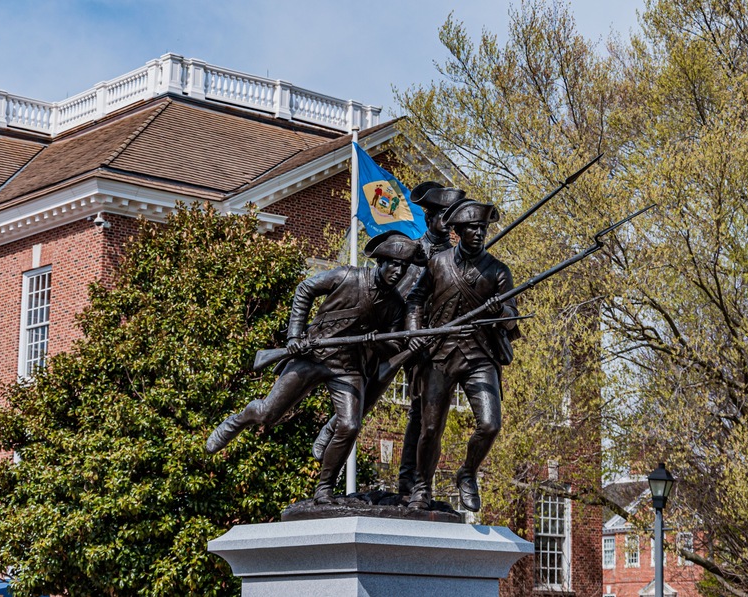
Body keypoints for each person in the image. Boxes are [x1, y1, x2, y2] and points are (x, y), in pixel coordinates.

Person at [204, 231, 426, 504]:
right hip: (312, 356)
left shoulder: (395, 306)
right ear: (380, 261)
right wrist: (295, 336)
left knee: (349, 425)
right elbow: (304, 289)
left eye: (404, 267)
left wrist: (381, 342)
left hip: (348, 367)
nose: (398, 271)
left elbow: (390, 345)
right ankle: (241, 418)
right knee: (268, 414)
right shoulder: (347, 276)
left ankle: (324, 488)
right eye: (394, 264)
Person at [311, 182, 467, 496]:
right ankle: (329, 452)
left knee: (423, 414)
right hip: (393, 332)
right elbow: (397, 291)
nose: (450, 224)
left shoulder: (456, 258)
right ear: (431, 216)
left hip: (428, 341)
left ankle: (410, 482)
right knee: (365, 398)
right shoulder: (409, 250)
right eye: (444, 216)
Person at [405, 199, 518, 512]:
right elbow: (415, 301)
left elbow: (512, 319)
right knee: (429, 428)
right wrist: (415, 333)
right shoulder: (437, 263)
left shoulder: (498, 271)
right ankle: (422, 486)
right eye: (472, 228)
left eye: (482, 228)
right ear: (457, 231)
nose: (479, 233)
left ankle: (467, 473)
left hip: (479, 354)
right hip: (439, 353)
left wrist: (500, 312)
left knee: (491, 423)